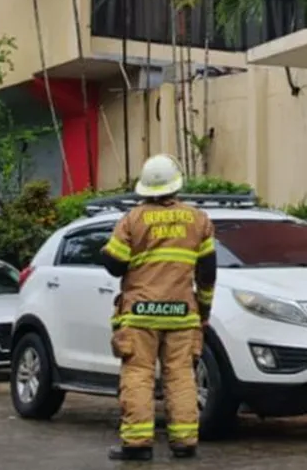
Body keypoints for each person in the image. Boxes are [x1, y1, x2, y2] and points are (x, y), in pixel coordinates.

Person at [99, 154, 217, 461]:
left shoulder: (132, 219)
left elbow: (115, 265)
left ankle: (137, 444)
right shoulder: (199, 220)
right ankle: (185, 441)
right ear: (176, 184)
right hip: (182, 315)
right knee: (181, 377)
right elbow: (207, 273)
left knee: (138, 375)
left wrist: (105, 250)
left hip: (140, 315)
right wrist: (203, 312)